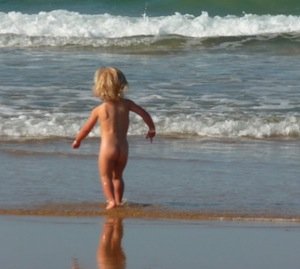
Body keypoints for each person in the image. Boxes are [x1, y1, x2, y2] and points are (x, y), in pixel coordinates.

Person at [72, 67, 156, 210]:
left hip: (107, 149)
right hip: (123, 149)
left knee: (105, 177)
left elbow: (86, 129)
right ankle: (118, 201)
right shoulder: (127, 104)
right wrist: (151, 129)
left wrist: (77, 140)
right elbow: (144, 114)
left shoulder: (100, 109)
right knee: (118, 176)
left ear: (99, 87)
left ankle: (111, 201)